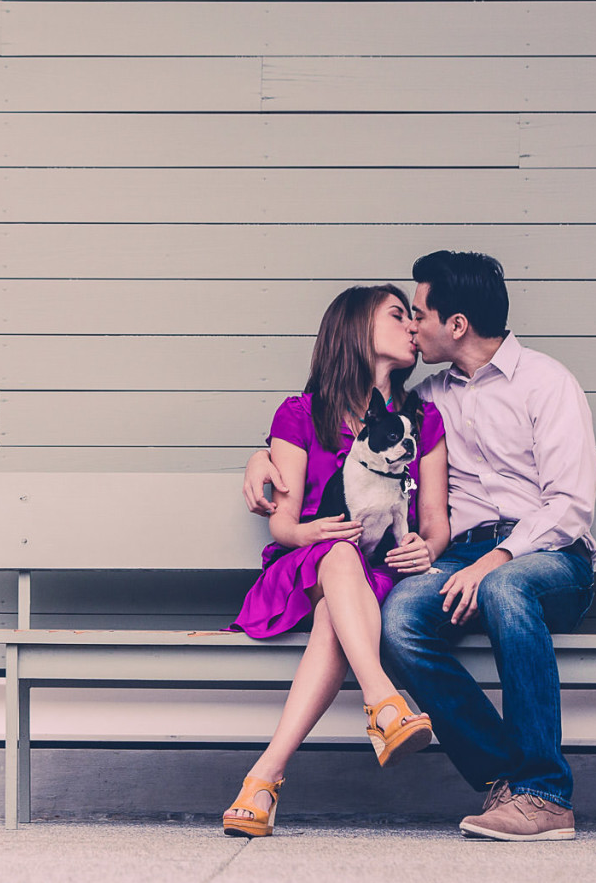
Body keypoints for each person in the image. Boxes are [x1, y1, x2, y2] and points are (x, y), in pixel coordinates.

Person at [242, 251, 596, 841]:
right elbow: (331, 430)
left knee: (506, 586)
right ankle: (506, 782)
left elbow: (569, 506)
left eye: (420, 313)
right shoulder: (431, 400)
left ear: (455, 325)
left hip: (551, 558)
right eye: (402, 315)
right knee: (401, 617)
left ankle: (545, 792)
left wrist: (495, 558)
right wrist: (258, 459)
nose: (413, 325)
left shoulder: (547, 382)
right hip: (457, 558)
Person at [222, 284, 450, 838]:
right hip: (302, 567)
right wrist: (309, 530)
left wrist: (429, 546)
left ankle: (263, 780)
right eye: (398, 316)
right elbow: (281, 522)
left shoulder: (425, 419)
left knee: (338, 606)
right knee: (340, 554)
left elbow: (435, 520)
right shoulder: (302, 413)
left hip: (374, 581)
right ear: (356, 329)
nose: (413, 328)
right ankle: (384, 701)